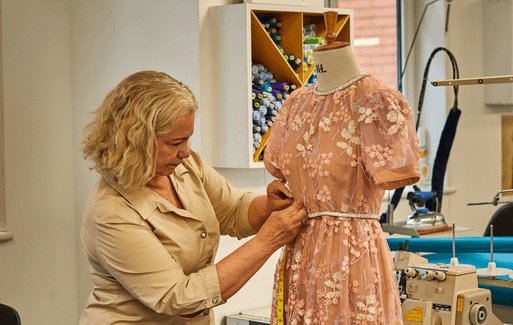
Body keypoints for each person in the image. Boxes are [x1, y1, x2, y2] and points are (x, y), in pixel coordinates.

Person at [79, 70, 307, 325]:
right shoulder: (111, 212)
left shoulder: (184, 167)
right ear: (137, 141)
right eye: (175, 143)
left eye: (188, 139)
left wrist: (268, 206)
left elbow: (233, 210)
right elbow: (178, 297)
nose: (186, 152)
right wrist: (269, 240)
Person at [264, 44, 420, 325]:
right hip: (301, 253)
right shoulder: (295, 103)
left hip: (352, 255)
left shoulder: (376, 101)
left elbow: (393, 169)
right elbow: (281, 167)